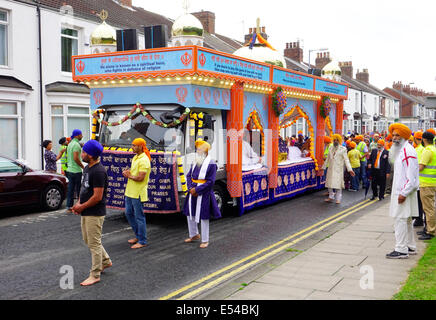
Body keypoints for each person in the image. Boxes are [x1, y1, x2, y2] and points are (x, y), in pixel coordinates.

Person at [72, 139, 111, 286]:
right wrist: (78, 204)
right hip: (86, 210)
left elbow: (97, 197)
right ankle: (106, 261)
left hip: (94, 212)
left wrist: (81, 207)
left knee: (94, 244)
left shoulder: (99, 171)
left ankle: (95, 274)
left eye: (84, 152)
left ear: (92, 155)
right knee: (89, 240)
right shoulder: (88, 168)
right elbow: (85, 189)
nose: (82, 154)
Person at [386, 123, 419, 259]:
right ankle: (410, 246)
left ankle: (401, 249)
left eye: (397, 135)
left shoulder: (408, 151)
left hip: (403, 192)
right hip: (402, 191)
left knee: (400, 219)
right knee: (406, 220)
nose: (394, 138)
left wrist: (403, 193)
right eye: (393, 135)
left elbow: (411, 177)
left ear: (404, 136)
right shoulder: (402, 150)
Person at [183, 139, 221, 248]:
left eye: (199, 149)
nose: (197, 151)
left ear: (206, 151)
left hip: (204, 192)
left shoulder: (212, 163)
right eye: (197, 149)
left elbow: (211, 181)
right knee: (190, 213)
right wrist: (190, 188)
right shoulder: (196, 161)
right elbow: (189, 175)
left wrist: (197, 190)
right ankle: (194, 234)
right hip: (192, 190)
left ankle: (205, 240)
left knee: (204, 216)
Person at [122, 138, 151, 249]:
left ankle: (142, 240)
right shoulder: (135, 157)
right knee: (128, 213)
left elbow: (140, 178)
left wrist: (128, 175)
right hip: (130, 191)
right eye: (132, 145)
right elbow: (135, 173)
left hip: (138, 192)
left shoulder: (144, 160)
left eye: (134, 145)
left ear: (140, 147)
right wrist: (128, 172)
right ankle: (138, 236)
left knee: (139, 217)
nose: (132, 147)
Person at [322, 134, 355, 204]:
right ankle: (331, 196)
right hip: (330, 169)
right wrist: (323, 167)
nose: (335, 141)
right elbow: (327, 159)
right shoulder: (330, 148)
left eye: (337, 140)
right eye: (334, 140)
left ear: (339, 141)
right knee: (329, 184)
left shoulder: (343, 149)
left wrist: (350, 169)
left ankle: (338, 198)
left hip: (338, 170)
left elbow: (346, 160)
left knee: (338, 185)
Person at [417, 131, 436, 240]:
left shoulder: (427, 150)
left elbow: (421, 167)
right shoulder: (434, 149)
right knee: (430, 208)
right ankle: (428, 228)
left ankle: (431, 231)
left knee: (428, 209)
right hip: (432, 182)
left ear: (424, 139)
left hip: (426, 183)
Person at [66, 130, 85, 213]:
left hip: (69, 170)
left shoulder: (70, 144)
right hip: (76, 170)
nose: (82, 136)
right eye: (81, 135)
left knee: (70, 189)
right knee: (79, 189)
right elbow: (75, 158)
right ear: (77, 135)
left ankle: (69, 206)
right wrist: (83, 166)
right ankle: (79, 205)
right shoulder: (76, 145)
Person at [413, 131, 426, 228]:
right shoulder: (425, 149)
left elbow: (415, 166)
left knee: (419, 201)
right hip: (424, 180)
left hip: (419, 180)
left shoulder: (418, 150)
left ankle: (419, 219)